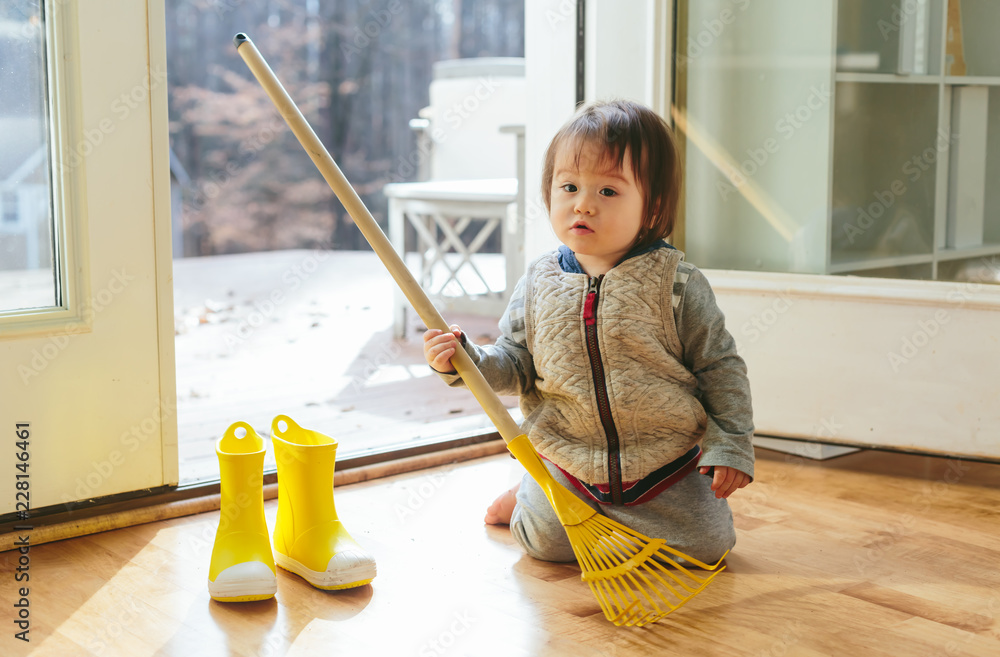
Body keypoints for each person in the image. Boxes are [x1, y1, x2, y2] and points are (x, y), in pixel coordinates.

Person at [423, 99, 754, 565]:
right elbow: (515, 364)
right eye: (570, 187)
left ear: (653, 205)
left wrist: (731, 442)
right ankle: (529, 494)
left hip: (664, 462)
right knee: (545, 547)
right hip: (568, 459)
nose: (583, 204)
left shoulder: (677, 284)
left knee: (707, 548)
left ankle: (617, 520)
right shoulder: (537, 282)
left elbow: (720, 368)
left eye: (609, 192)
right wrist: (466, 362)